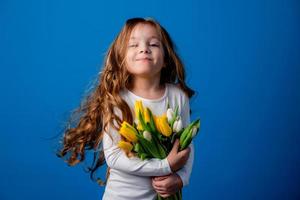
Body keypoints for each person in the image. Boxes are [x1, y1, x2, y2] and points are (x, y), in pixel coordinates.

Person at [58, 17, 195, 200]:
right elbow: (114, 157)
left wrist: (180, 178)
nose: (144, 48)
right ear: (121, 58)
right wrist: (165, 166)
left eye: (153, 44)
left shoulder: (177, 97)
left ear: (166, 60)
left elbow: (186, 147)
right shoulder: (117, 99)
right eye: (133, 45)